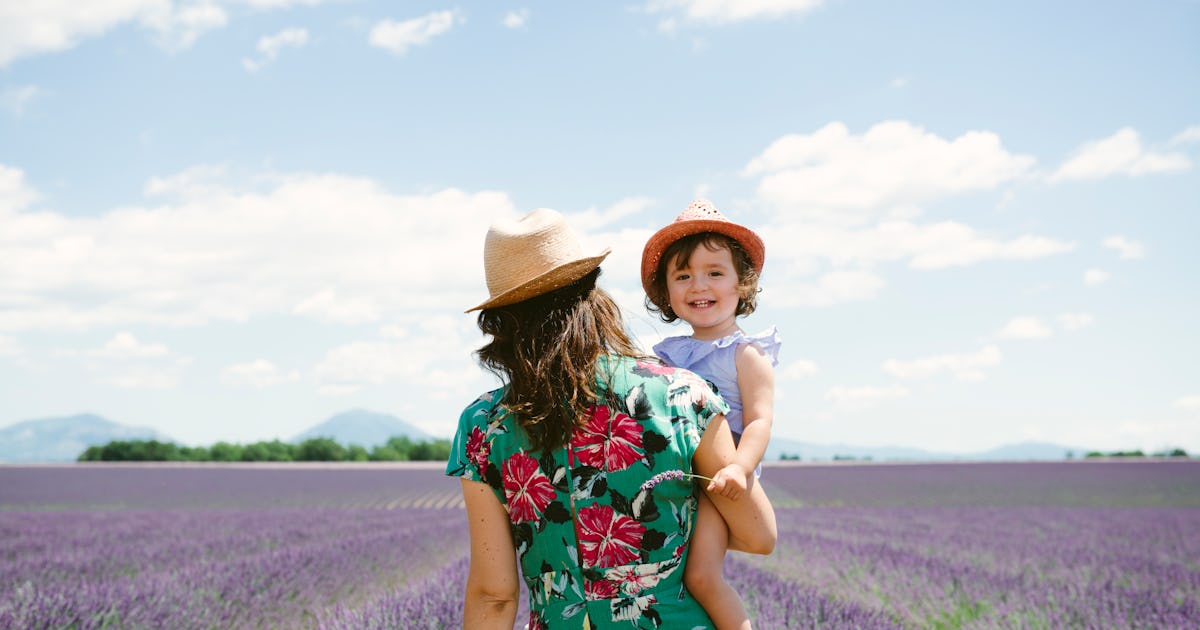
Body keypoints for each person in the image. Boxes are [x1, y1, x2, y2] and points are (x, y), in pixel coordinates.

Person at [446, 208, 777, 629]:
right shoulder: (682, 394)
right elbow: (759, 536)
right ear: (593, 293)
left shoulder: (483, 425)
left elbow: (494, 596)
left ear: (502, 322)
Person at [640, 199, 779, 630]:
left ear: (743, 284)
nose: (698, 285)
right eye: (683, 276)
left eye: (715, 273)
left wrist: (739, 467)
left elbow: (759, 421)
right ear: (667, 292)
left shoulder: (746, 353)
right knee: (668, 573)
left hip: (721, 478)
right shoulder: (667, 354)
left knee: (701, 576)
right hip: (679, 475)